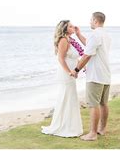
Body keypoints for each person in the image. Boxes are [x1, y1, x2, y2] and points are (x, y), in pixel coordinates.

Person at [41, 20, 84, 137]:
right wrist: (69, 71)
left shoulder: (71, 40)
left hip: (72, 72)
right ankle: (64, 126)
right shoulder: (63, 40)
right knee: (67, 97)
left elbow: (74, 57)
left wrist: (81, 66)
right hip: (66, 74)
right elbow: (60, 59)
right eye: (70, 26)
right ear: (65, 29)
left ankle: (71, 125)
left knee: (71, 98)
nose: (73, 27)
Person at [74, 12, 111, 141]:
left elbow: (87, 55)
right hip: (105, 74)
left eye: (90, 20)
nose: (89, 22)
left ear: (95, 20)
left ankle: (93, 133)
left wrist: (76, 69)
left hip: (95, 75)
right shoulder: (105, 34)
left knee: (93, 105)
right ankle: (102, 129)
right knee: (103, 103)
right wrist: (78, 35)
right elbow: (90, 44)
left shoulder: (95, 35)